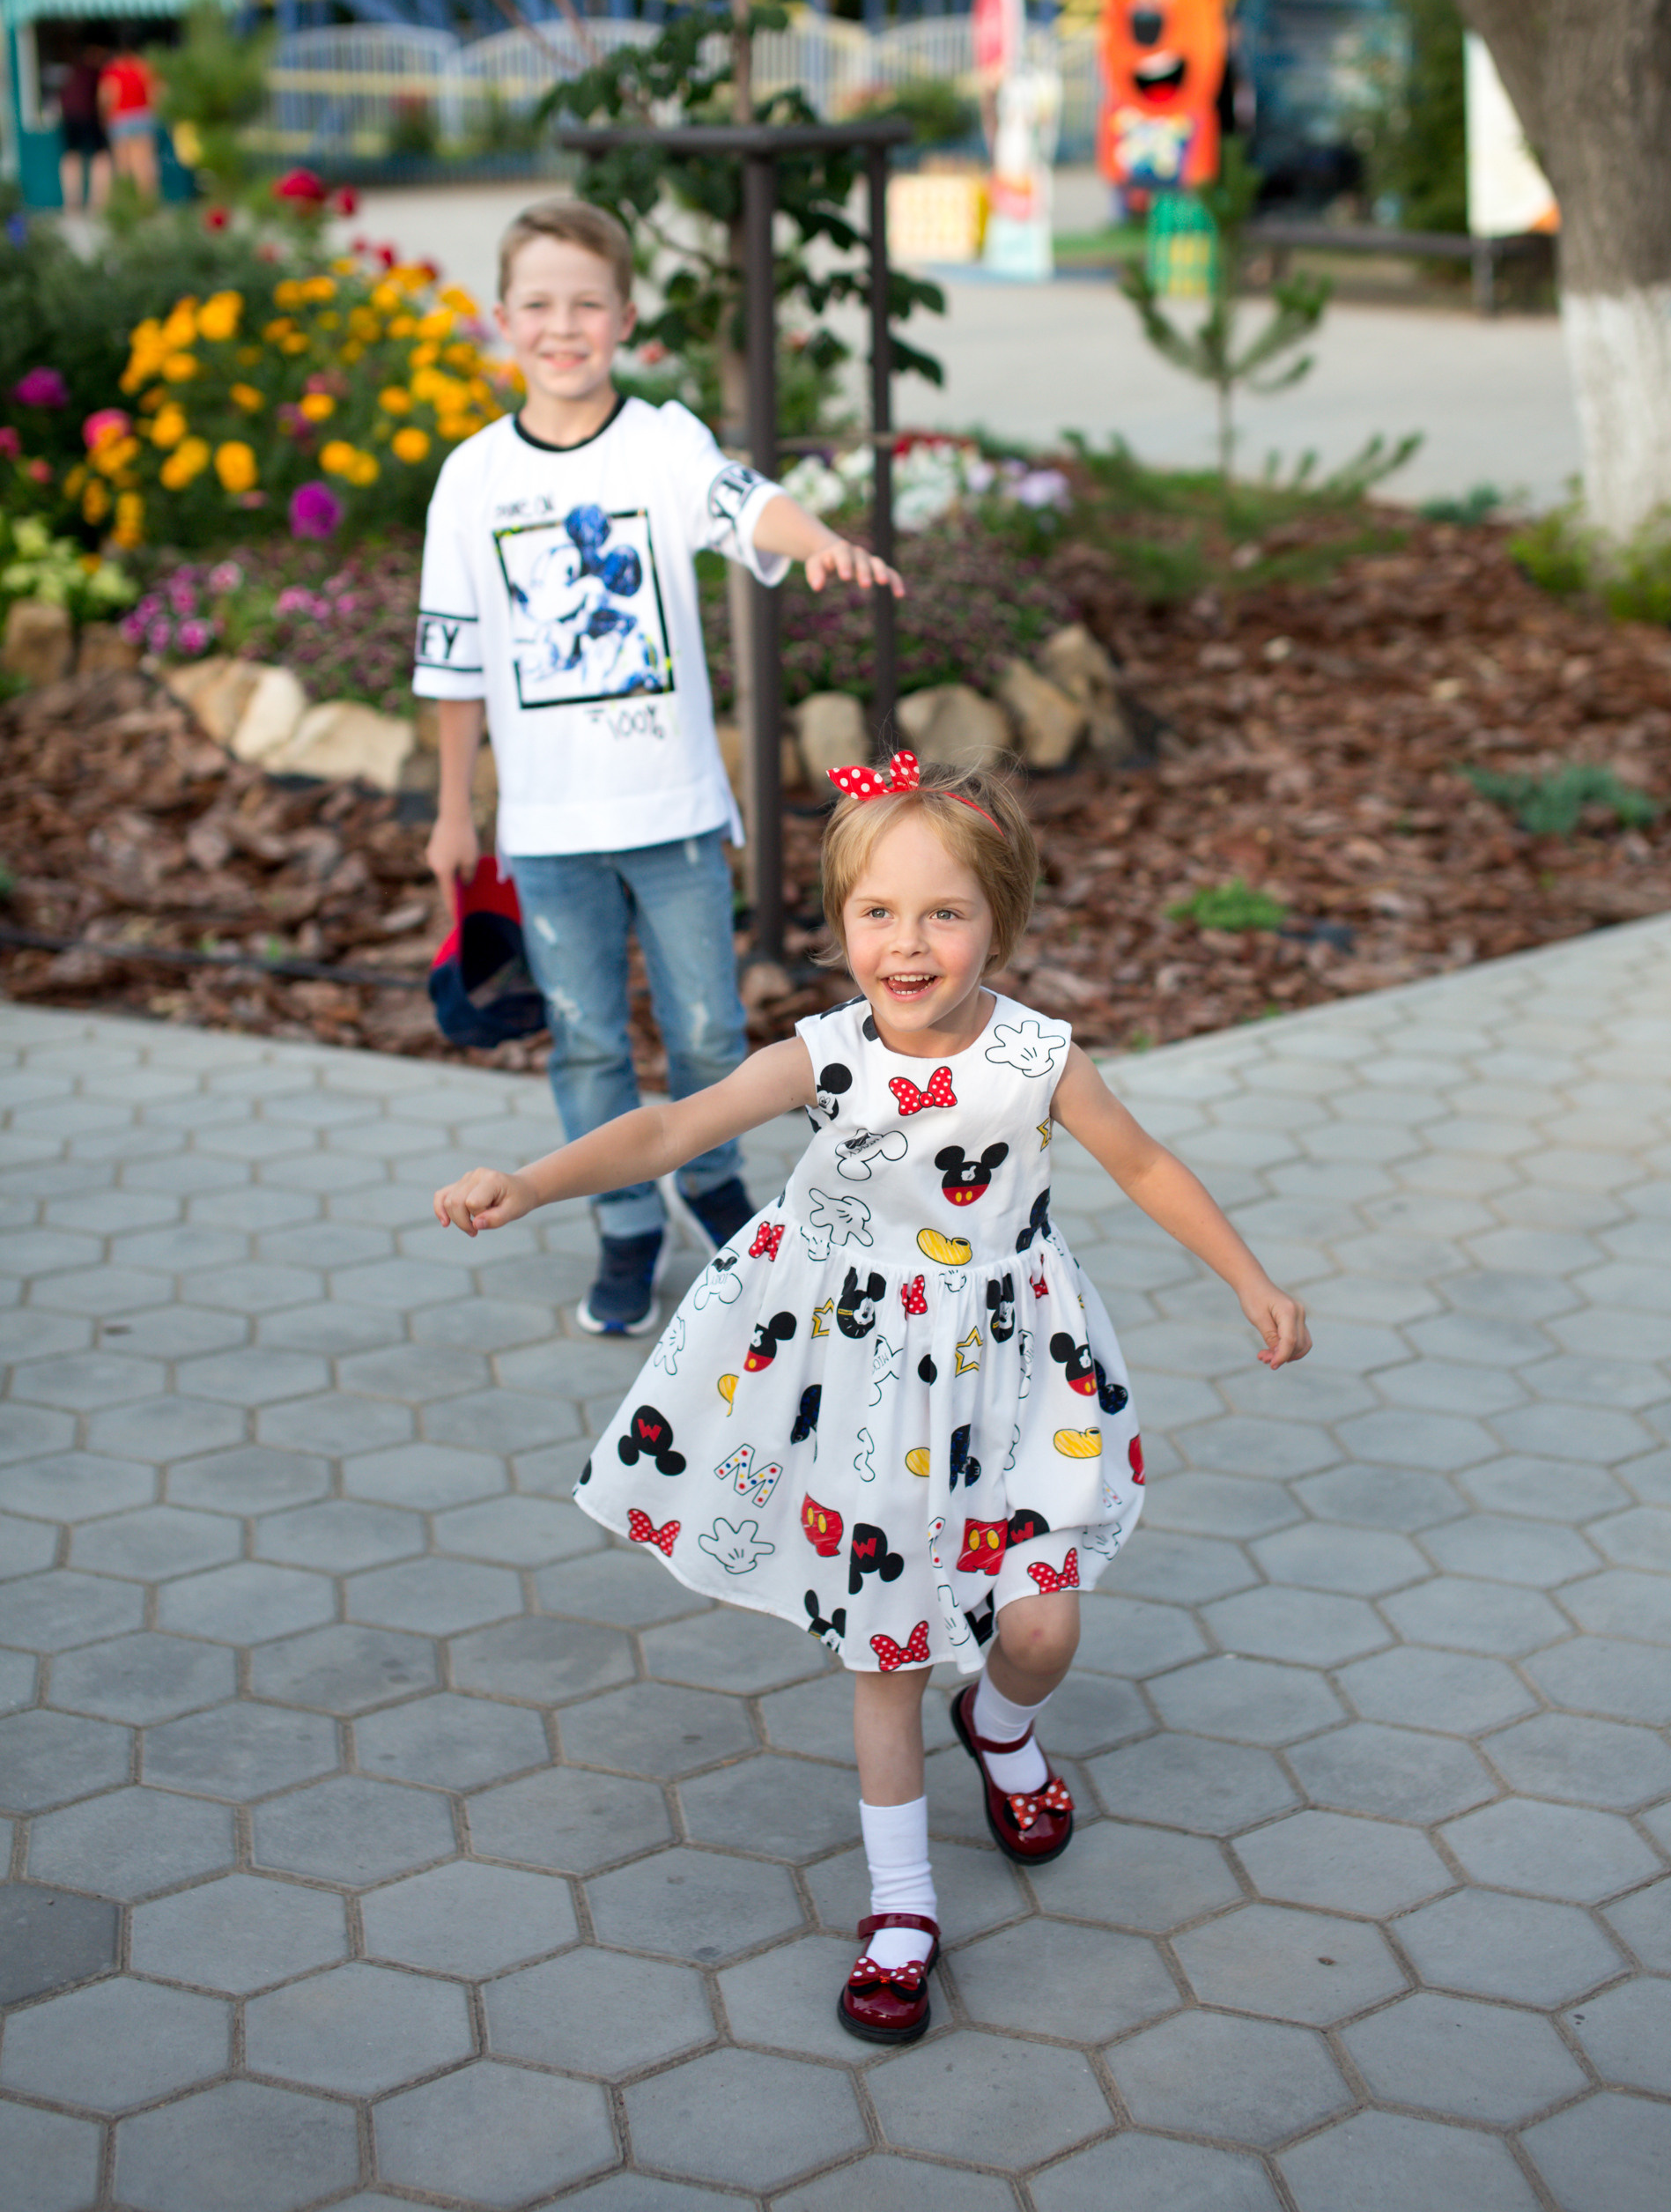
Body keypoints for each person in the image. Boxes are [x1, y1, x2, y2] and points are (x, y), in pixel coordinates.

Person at [433, 752, 1312, 2045]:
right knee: (884, 1648)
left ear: (999, 923)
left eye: (944, 913)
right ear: (840, 925)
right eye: (876, 914)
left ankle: (1003, 1729)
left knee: (1044, 1629)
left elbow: (1145, 1162)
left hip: (1011, 1378)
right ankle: (901, 1906)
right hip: (861, 1390)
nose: (908, 945)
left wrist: (1249, 1277)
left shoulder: (1037, 1058)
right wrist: (535, 1178)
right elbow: (673, 1127)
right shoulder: (827, 1055)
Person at [416, 196, 904, 1335]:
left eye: (588, 302)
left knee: (707, 1033)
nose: (563, 324)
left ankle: (716, 1184)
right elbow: (456, 662)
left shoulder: (662, 444)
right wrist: (454, 811)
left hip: (677, 817)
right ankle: (625, 1225)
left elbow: (749, 506)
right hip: (545, 831)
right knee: (587, 1034)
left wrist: (820, 542)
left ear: (625, 316)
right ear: (502, 320)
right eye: (538, 303)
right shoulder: (472, 479)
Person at [99, 41, 159, 200]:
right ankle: (147, 200)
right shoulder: (144, 67)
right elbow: (155, 93)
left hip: (120, 118)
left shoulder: (113, 69)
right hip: (143, 115)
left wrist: (104, 116)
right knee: (144, 164)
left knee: (123, 165)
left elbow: (107, 95)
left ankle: (127, 201)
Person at [57, 43, 112, 213]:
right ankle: (96, 202)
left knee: (72, 157)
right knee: (101, 157)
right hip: (88, 117)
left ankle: (72, 203)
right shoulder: (96, 73)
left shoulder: (72, 72)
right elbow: (105, 97)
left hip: (69, 117)